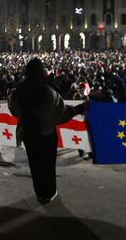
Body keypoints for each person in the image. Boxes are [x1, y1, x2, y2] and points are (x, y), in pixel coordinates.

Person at [16, 59, 87, 203]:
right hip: (45, 134)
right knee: (47, 164)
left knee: (35, 164)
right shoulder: (47, 91)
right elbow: (61, 113)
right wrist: (80, 108)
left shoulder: (20, 89)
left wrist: (27, 116)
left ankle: (40, 193)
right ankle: (49, 192)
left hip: (29, 133)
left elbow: (14, 108)